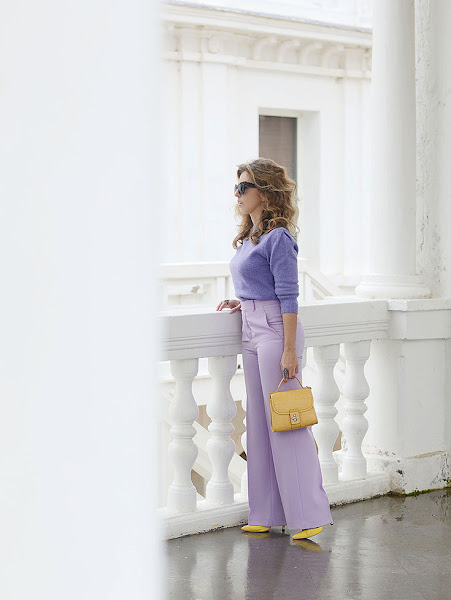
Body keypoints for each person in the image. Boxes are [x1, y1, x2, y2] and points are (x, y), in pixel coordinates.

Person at [216, 158, 333, 540]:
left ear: (264, 192)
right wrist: (242, 302)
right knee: (258, 424)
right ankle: (265, 511)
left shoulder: (279, 237)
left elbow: (288, 296)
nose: (237, 194)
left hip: (275, 333)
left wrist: (289, 350)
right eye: (236, 187)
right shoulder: (251, 236)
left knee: (287, 421)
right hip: (251, 327)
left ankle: (308, 515)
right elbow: (260, 284)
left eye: (244, 186)